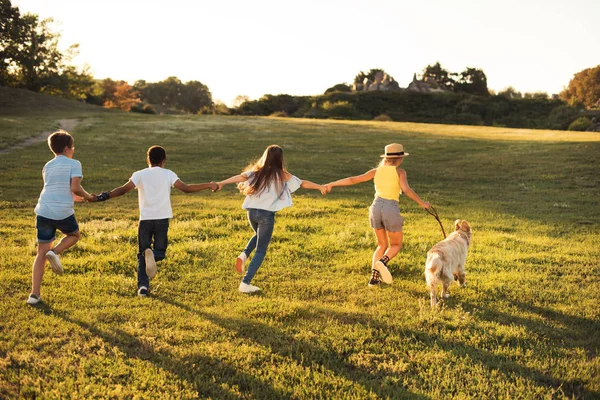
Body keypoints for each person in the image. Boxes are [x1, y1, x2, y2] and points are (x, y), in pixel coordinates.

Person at [96, 145, 218, 296]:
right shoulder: (168, 174)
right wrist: (208, 184)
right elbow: (186, 188)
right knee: (160, 252)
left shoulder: (139, 174)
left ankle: (143, 287)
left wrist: (105, 195)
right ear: (164, 161)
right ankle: (153, 254)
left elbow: (122, 189)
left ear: (148, 159)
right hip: (162, 219)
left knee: (142, 255)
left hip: (145, 220)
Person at [216, 145, 327, 293]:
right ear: (280, 159)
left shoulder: (256, 172)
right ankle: (245, 283)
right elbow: (302, 183)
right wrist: (320, 187)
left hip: (251, 213)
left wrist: (222, 183)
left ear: (265, 156)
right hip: (266, 215)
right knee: (261, 250)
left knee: (258, 235)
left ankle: (244, 254)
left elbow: (241, 177)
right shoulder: (282, 175)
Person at [325, 143, 430, 287]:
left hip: (375, 208)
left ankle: (374, 279)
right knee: (396, 244)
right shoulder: (400, 172)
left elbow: (353, 179)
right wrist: (422, 203)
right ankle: (382, 262)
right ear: (400, 159)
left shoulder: (376, 171)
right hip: (390, 209)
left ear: (386, 158)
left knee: (381, 245)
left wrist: (332, 184)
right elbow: (406, 190)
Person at [28, 130, 97, 305]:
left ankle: (34, 295)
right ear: (67, 148)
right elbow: (75, 186)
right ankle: (55, 252)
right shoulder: (74, 163)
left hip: (44, 209)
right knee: (74, 235)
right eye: (72, 147)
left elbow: (55, 187)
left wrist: (73, 196)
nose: (73, 150)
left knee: (40, 253)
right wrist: (88, 197)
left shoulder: (47, 165)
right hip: (62, 212)